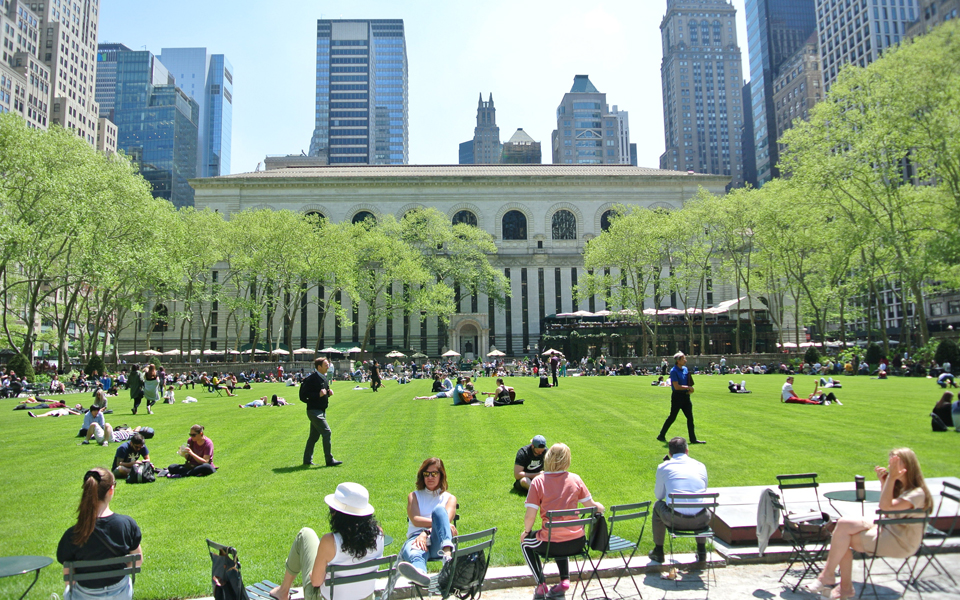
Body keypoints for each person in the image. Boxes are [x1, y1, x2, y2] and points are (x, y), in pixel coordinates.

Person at [804, 448, 933, 600]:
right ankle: (832, 579)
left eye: (894, 464)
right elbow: (887, 511)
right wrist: (885, 482)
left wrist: (891, 479)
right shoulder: (903, 487)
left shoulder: (917, 493)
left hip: (900, 542)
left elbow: (885, 507)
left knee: (841, 540)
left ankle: (837, 583)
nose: (890, 467)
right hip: (888, 528)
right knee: (843, 524)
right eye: (890, 463)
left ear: (907, 466)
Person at [269, 482, 384, 600]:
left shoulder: (330, 542)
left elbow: (316, 582)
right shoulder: (379, 534)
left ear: (337, 515)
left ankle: (283, 592)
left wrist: (313, 573)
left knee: (305, 534)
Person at [521, 443, 604, 600]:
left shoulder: (539, 481)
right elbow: (593, 506)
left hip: (551, 544)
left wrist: (526, 532)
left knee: (525, 542)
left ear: (548, 458)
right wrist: (601, 507)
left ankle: (541, 585)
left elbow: (530, 516)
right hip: (577, 542)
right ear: (567, 460)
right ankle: (564, 581)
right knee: (563, 530)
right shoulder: (575, 479)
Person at [57, 467, 143, 600]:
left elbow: (69, 575)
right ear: (111, 490)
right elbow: (137, 561)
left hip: (84, 596)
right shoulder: (126, 524)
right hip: (120, 594)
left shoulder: (73, 533)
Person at [397, 458, 459, 586]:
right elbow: (415, 520)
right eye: (426, 474)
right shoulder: (414, 496)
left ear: (441, 475)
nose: (430, 477)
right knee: (415, 552)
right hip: (416, 538)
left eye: (434, 473)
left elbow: (443, 522)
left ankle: (447, 556)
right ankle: (420, 574)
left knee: (439, 511)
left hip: (439, 542)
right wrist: (439, 524)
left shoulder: (450, 498)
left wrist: (425, 533)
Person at [648, 437, 710, 564]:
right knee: (701, 504)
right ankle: (701, 550)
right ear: (687, 450)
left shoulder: (664, 467)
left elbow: (659, 496)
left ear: (670, 453)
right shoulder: (700, 466)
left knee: (657, 505)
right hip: (701, 520)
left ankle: (658, 550)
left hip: (675, 520)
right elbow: (703, 489)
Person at [301, 357, 342, 467]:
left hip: (321, 410)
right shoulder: (311, 379)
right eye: (326, 365)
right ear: (319, 367)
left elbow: (323, 392)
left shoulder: (323, 378)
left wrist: (328, 393)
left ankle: (307, 460)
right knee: (327, 432)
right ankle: (329, 460)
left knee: (313, 437)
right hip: (314, 411)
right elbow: (303, 396)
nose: (328, 367)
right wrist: (317, 395)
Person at [657, 352, 705, 444]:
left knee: (690, 418)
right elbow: (676, 386)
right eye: (683, 359)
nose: (685, 360)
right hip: (677, 397)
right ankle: (661, 435)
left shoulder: (685, 369)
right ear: (678, 361)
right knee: (672, 417)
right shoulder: (673, 371)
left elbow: (688, 381)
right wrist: (688, 387)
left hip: (685, 396)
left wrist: (689, 389)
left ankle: (693, 439)